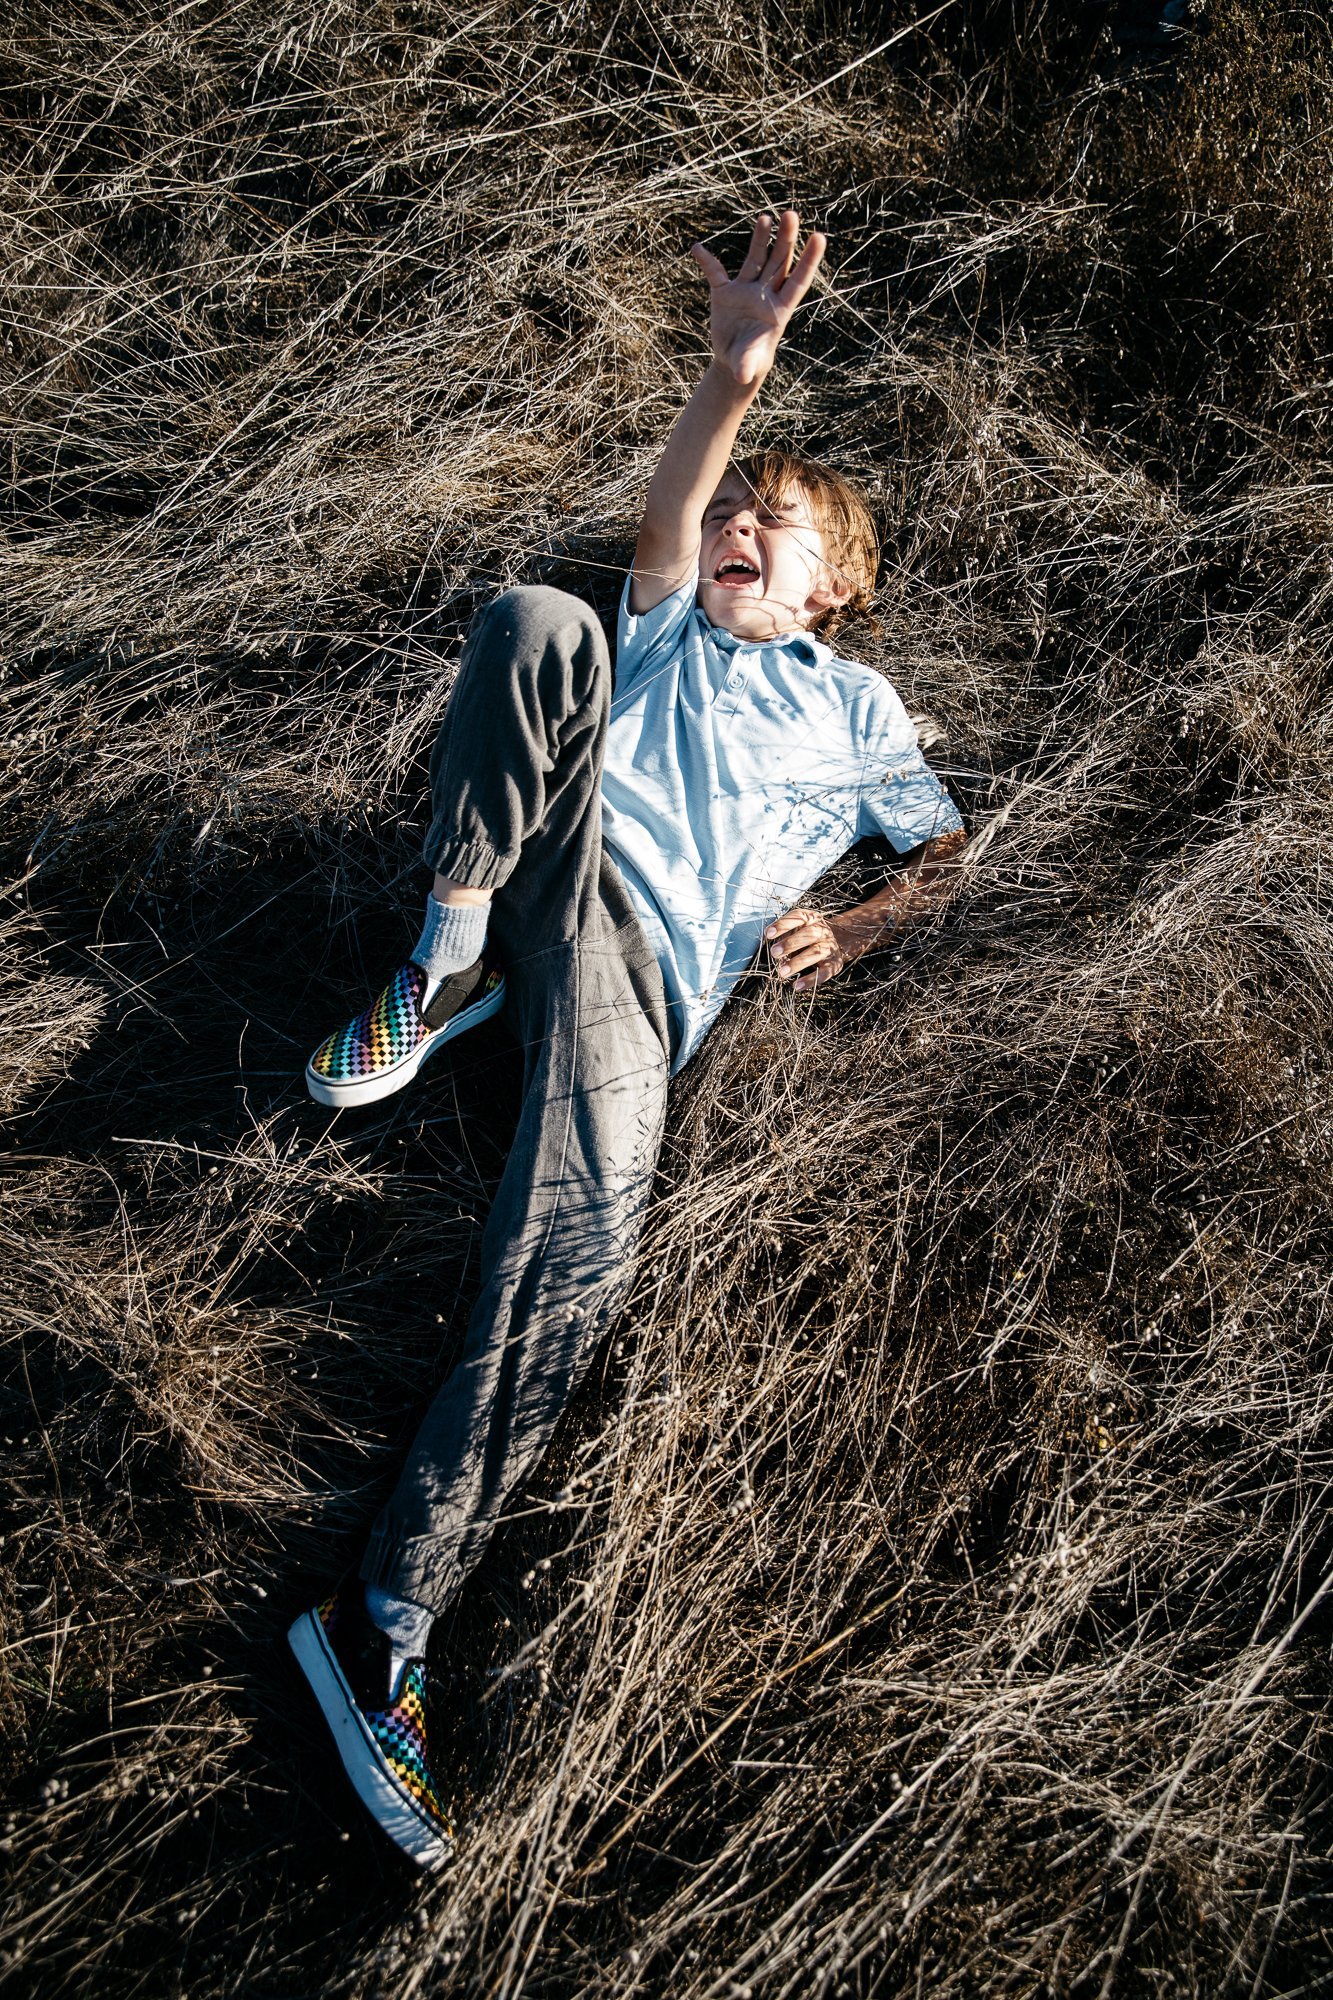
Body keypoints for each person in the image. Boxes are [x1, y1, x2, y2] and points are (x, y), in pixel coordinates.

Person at [287, 211, 968, 1869]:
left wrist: (859, 919)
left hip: (643, 976)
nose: (741, 525)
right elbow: (666, 508)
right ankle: (444, 968)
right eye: (740, 510)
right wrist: (734, 380)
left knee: (571, 1265)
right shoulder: (669, 619)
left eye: (779, 523)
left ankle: (383, 1621)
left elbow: (948, 853)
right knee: (539, 619)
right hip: (547, 859)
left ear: (841, 581)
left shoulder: (858, 713)